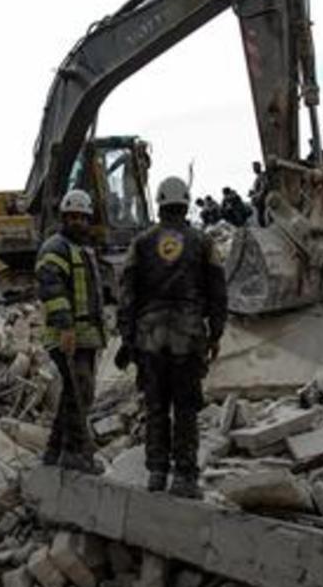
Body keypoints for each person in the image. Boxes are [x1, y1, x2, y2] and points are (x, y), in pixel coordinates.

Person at [117, 177, 227, 498]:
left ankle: (156, 473)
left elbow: (127, 295)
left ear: (160, 203)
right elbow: (218, 291)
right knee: (186, 408)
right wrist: (216, 331)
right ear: (185, 202)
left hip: (150, 338)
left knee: (155, 407)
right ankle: (184, 477)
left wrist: (128, 338)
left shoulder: (140, 243)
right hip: (189, 336)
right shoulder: (203, 242)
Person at [35, 189, 105, 473]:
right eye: (72, 217)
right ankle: (75, 453)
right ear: (64, 217)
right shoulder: (55, 248)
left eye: (82, 217)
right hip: (66, 334)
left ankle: (54, 451)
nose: (78, 222)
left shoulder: (82, 248)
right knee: (80, 391)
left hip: (85, 334)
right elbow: (52, 288)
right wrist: (65, 327)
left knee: (73, 394)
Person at [247, 161, 272, 226]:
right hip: (260, 199)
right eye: (253, 167)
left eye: (255, 167)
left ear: (259, 167)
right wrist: (253, 193)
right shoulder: (258, 177)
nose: (254, 169)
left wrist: (256, 196)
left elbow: (264, 188)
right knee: (261, 216)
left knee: (263, 215)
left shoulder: (262, 176)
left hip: (262, 199)